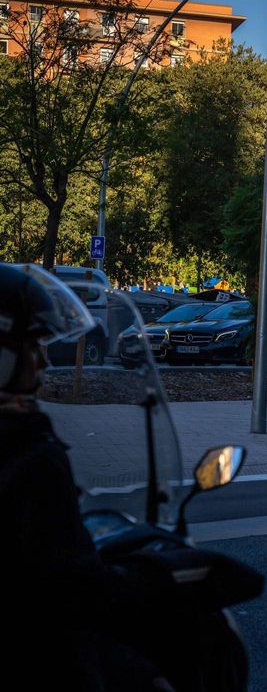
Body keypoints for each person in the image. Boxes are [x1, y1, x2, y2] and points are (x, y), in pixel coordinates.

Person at [0, 263, 174, 690]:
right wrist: (145, 588)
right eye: (33, 344)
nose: (43, 358)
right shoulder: (28, 455)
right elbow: (75, 581)